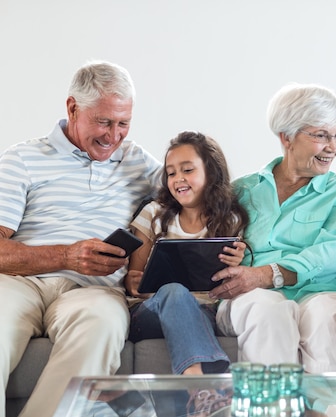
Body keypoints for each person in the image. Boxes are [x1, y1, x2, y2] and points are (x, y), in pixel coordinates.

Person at [0, 61, 161, 417]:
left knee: (103, 321)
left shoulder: (139, 162)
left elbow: (199, 194)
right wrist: (65, 256)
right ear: (73, 108)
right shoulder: (22, 158)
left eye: (123, 123)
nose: (113, 136)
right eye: (103, 122)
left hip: (92, 290)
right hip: (16, 282)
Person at [210, 83, 336, 372]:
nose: (334, 147)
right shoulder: (241, 191)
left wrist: (266, 274)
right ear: (287, 137)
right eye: (321, 135)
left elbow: (330, 253)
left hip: (321, 291)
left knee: (329, 319)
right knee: (268, 310)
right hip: (249, 297)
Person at [124, 131, 248, 376]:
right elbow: (134, 276)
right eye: (171, 173)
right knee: (173, 290)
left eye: (187, 170)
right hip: (151, 313)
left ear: (211, 173)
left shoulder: (229, 221)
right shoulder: (154, 214)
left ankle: (200, 397)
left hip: (204, 313)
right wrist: (136, 282)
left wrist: (237, 264)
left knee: (187, 300)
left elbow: (232, 285)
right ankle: (197, 383)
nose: (178, 178)